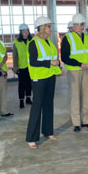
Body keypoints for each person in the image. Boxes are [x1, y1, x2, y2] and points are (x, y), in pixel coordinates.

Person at [25, 16, 61, 149]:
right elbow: (33, 61)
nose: (50, 28)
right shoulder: (34, 42)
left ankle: (48, 131)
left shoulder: (49, 42)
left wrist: (57, 63)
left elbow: (52, 57)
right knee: (37, 106)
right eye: (48, 26)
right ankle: (31, 138)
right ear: (41, 28)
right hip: (39, 78)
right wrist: (50, 62)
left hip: (50, 76)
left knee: (48, 104)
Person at [62, 14, 88, 132]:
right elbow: (64, 57)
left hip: (86, 70)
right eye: (75, 24)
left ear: (83, 26)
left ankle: (86, 120)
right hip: (74, 70)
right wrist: (79, 64)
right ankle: (76, 123)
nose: (76, 26)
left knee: (85, 96)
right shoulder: (67, 38)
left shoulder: (87, 38)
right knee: (75, 96)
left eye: (79, 24)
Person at [12, 24, 33, 108]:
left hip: (31, 66)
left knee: (29, 83)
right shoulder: (16, 42)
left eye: (26, 30)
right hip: (21, 66)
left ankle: (28, 98)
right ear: (20, 32)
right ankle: (21, 100)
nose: (25, 32)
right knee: (21, 84)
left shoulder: (32, 41)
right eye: (23, 31)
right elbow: (15, 56)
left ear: (28, 31)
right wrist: (15, 66)